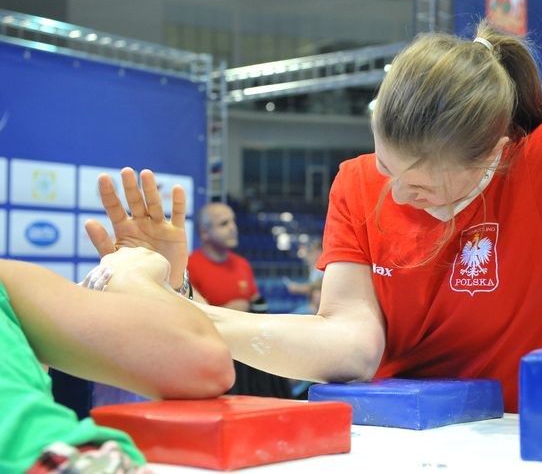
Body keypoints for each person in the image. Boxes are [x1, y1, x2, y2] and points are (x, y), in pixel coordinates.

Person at [88, 22, 542, 413]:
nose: (395, 194)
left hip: (512, 443)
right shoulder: (358, 182)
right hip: (385, 438)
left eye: (420, 186)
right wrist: (178, 306)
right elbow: (353, 346)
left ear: (494, 157)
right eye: (388, 168)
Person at [0, 246, 235, 473]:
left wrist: (171, 284)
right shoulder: (9, 281)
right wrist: (136, 277)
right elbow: (206, 361)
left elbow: (203, 360)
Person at [187, 201, 293, 399]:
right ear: (204, 233)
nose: (233, 228)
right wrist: (226, 311)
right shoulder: (190, 266)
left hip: (247, 362)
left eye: (233, 221)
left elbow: (258, 304)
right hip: (214, 359)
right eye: (224, 223)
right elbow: (187, 319)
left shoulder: (242, 265)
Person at [286, 238, 323, 315]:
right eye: (313, 252)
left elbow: (316, 285)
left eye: (316, 251)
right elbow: (307, 257)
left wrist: (297, 288)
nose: (314, 255)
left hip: (318, 307)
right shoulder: (314, 266)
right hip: (312, 305)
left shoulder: (324, 268)